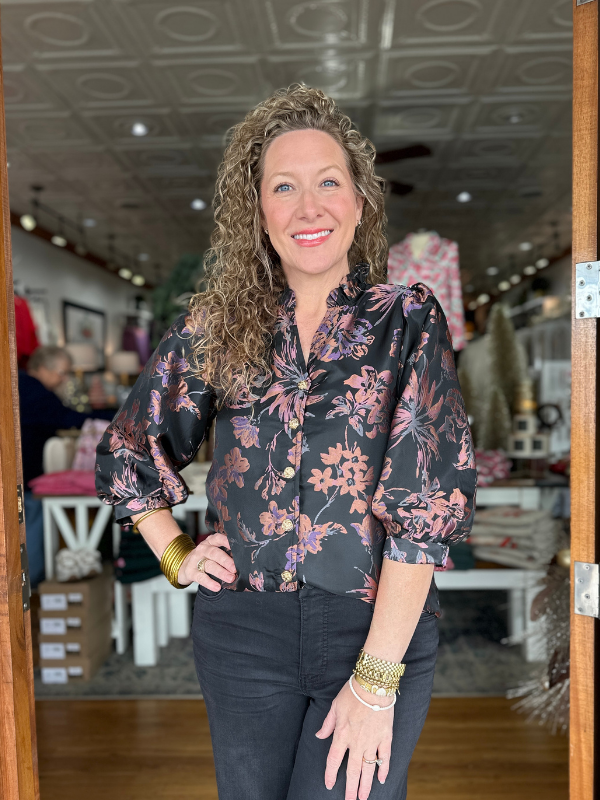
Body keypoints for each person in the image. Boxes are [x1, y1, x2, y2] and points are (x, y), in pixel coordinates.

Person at [96, 85, 476, 800]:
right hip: (243, 634)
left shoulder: (407, 321)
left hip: (374, 630)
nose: (310, 206)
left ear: (360, 200)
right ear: (259, 211)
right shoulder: (216, 327)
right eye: (284, 186)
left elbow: (426, 504)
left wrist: (375, 681)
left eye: (329, 181)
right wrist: (174, 551)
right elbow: (128, 448)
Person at [20, 346, 108, 585]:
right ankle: (34, 585)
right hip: (25, 473)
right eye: (62, 372)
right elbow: (68, 419)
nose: (64, 379)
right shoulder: (34, 391)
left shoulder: (21, 384)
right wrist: (112, 416)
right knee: (32, 522)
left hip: (24, 471)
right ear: (43, 368)